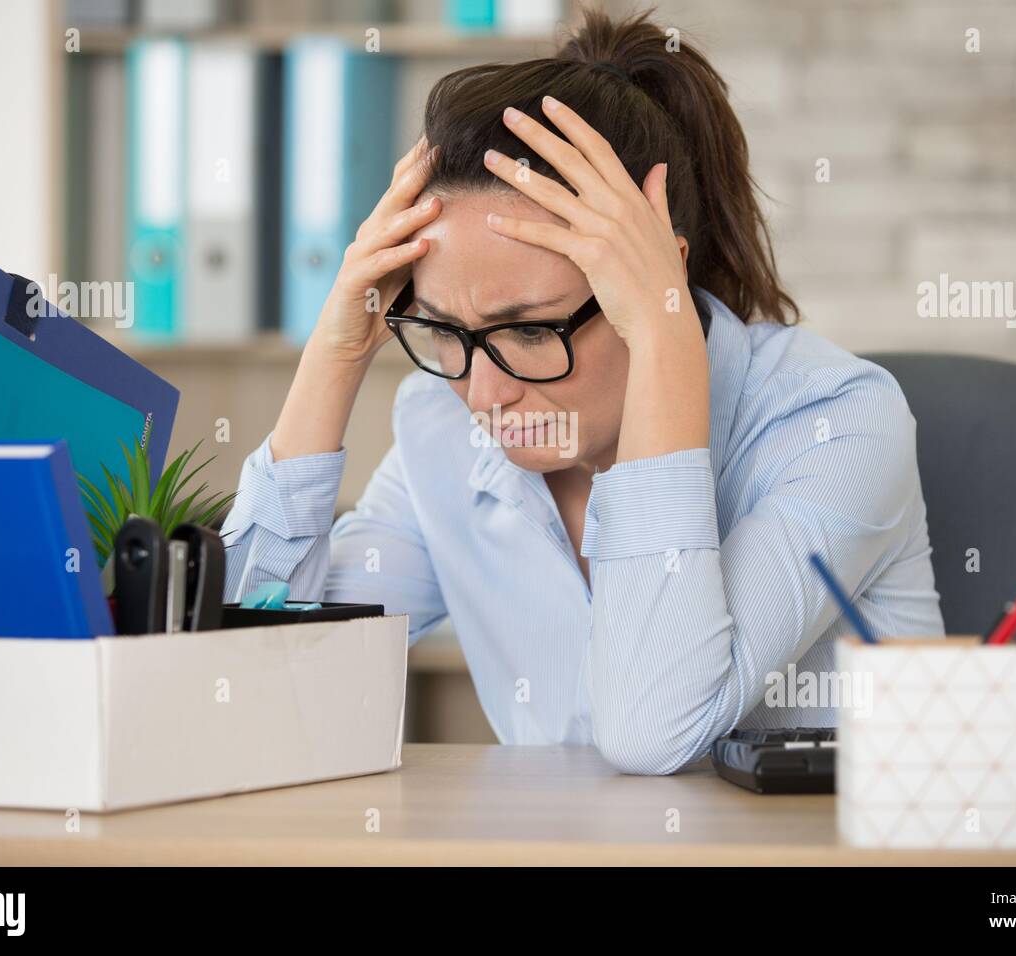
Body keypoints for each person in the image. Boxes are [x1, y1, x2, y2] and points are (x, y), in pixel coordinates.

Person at [223, 9, 944, 774]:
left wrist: (669, 339)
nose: (482, 395)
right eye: (444, 330)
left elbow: (650, 729)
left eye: (531, 331)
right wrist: (332, 358)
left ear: (651, 279)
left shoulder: (838, 423)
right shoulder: (444, 430)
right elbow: (255, 678)